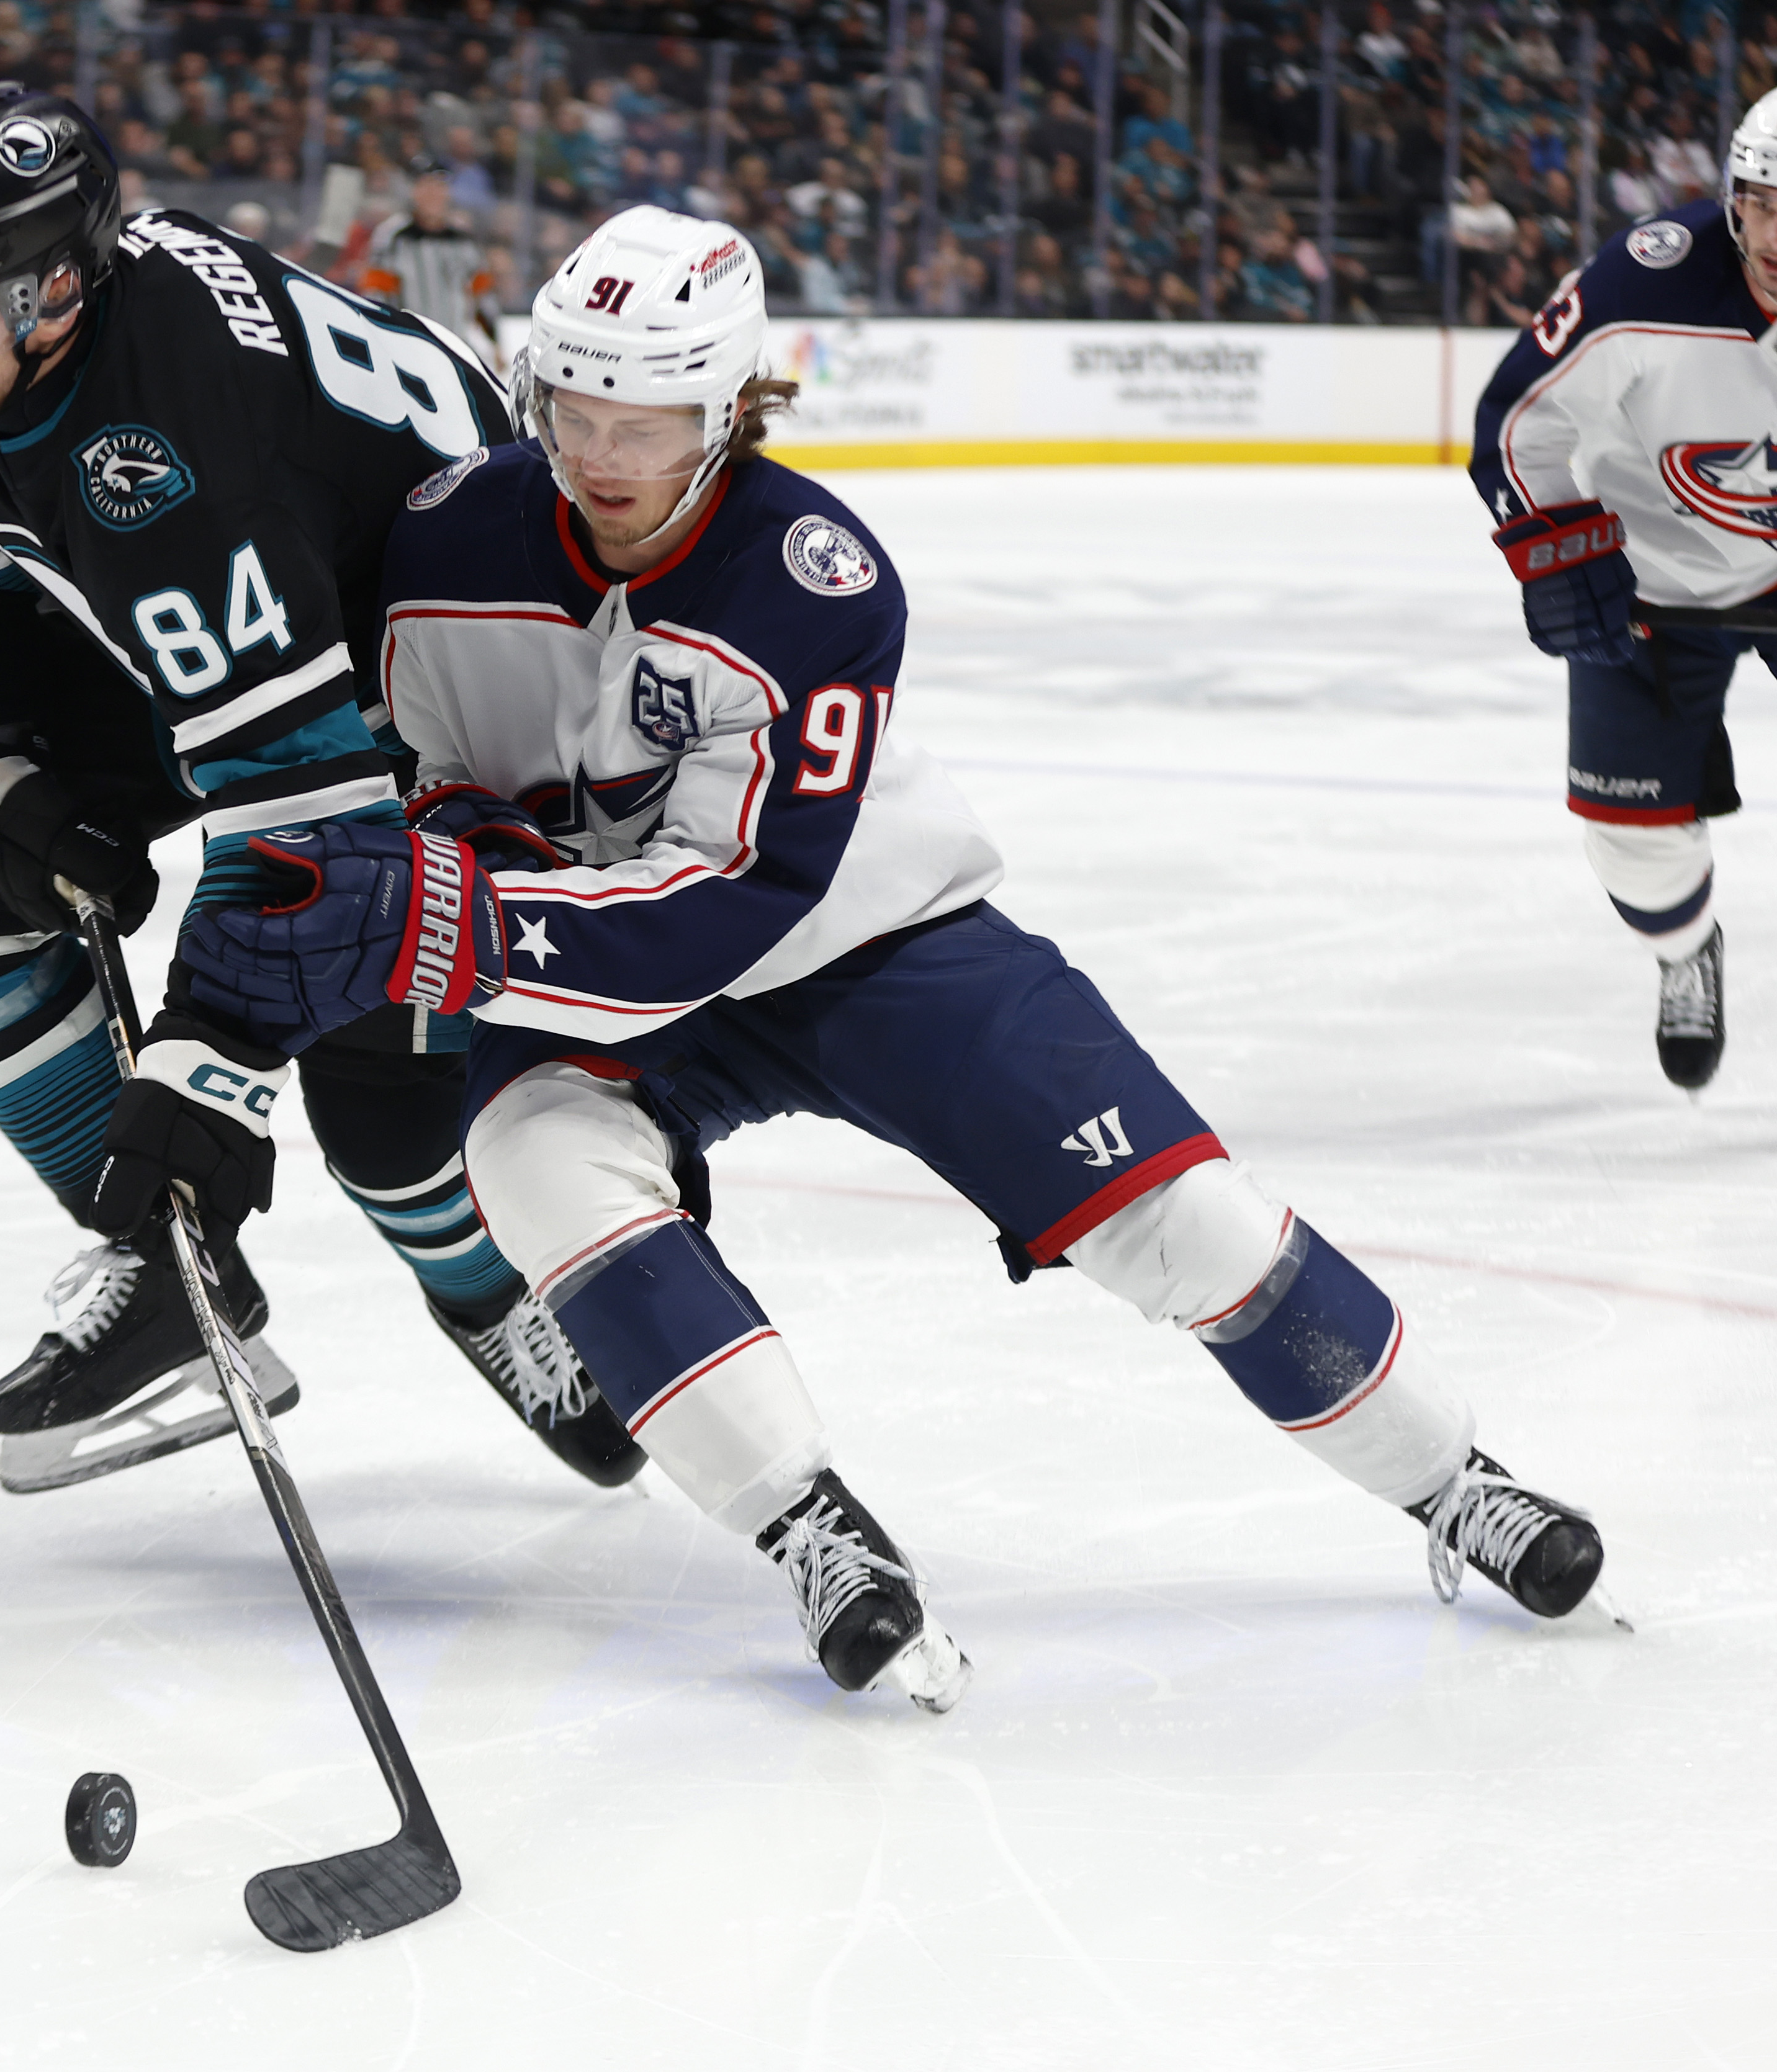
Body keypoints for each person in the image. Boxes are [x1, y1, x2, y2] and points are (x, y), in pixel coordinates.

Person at [181, 207, 1615, 1708]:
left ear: (734, 407)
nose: (605, 454)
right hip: (597, 961)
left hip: (869, 943)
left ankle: (1452, 1480)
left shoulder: (815, 581)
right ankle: (811, 1528)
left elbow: (732, 905)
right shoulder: (445, 538)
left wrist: (445, 923)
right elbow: (439, 782)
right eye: (578, 408)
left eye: (655, 418)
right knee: (539, 1161)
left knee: (1184, 1225)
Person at [0, 84, 637, 1495]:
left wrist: (201, 1095)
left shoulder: (169, 451)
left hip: (462, 691)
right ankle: (177, 1293)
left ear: (55, 296)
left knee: (379, 1122)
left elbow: (305, 838)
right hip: (255, 620)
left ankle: (496, 1303)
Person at [1467, 91, 1777, 1095]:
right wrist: (1558, 542)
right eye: (1761, 202)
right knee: (1629, 839)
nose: (1773, 234)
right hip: (1654, 580)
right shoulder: (1645, 281)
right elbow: (1517, 416)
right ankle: (1687, 949)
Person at [361, 156, 499, 366]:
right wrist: (383, 340)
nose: (434, 194)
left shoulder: (464, 241)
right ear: (414, 191)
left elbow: (482, 294)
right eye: (426, 186)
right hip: (408, 349)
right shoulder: (393, 238)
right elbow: (377, 294)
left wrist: (495, 343)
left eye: (440, 186)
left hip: (455, 348)